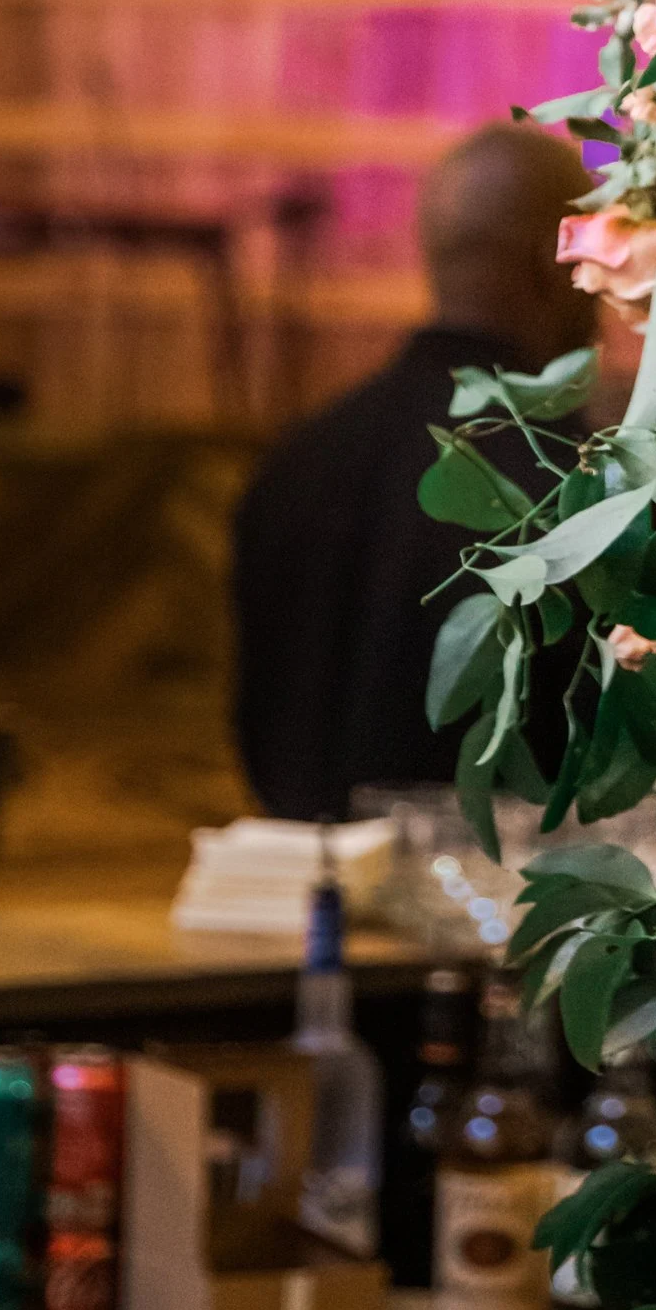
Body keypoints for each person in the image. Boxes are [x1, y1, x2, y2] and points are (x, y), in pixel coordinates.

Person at [231, 121, 595, 822]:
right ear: (549, 264)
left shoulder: (294, 461)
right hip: (496, 881)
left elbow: (263, 729)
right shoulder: (574, 482)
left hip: (297, 875)